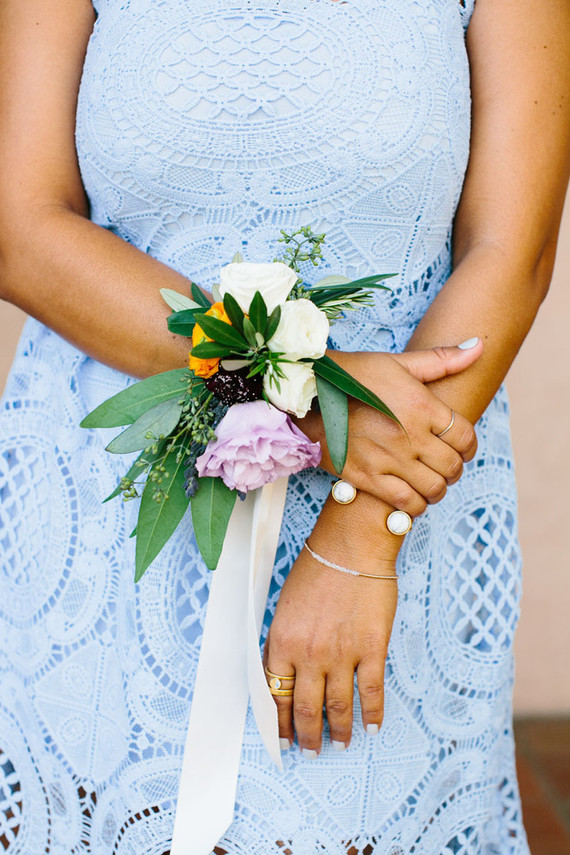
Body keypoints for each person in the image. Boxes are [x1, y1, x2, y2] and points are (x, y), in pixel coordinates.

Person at [0, 0, 568, 852]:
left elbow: (511, 250)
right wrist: (306, 397)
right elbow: (21, 227)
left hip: (390, 506)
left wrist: (362, 536)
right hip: (115, 511)